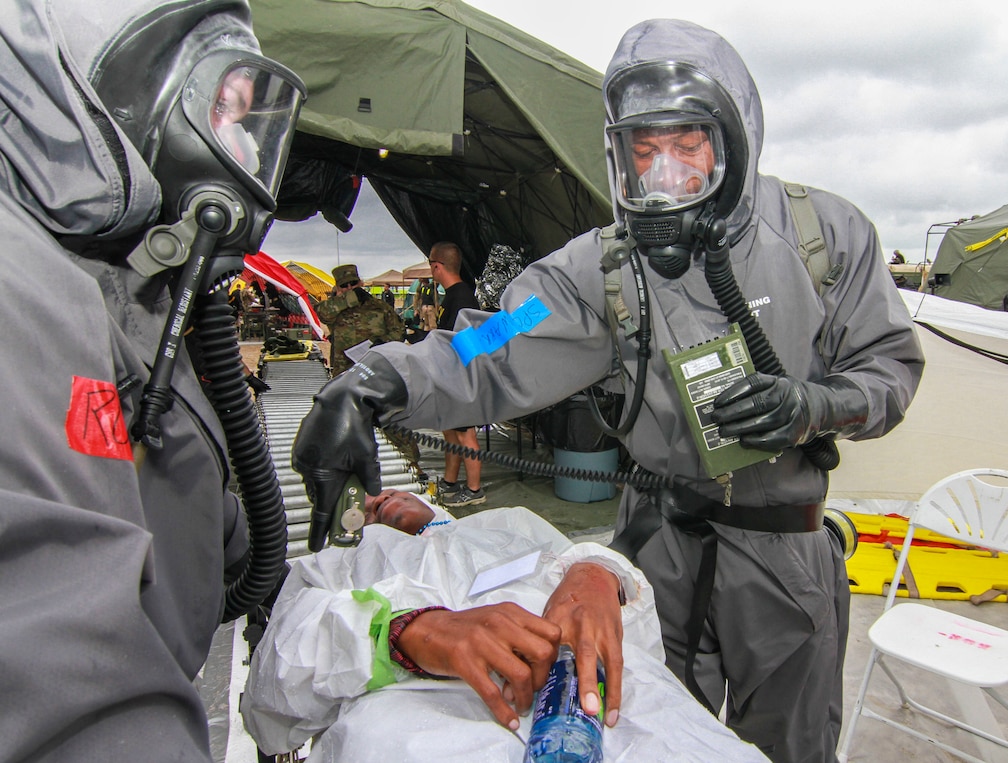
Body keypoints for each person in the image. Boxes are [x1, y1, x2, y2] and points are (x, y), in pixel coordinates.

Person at [292, 19, 924, 763]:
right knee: (642, 737)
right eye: (642, 151)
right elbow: (493, 339)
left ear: (732, 138)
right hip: (652, 551)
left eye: (686, 145)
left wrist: (812, 407)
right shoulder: (598, 270)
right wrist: (378, 378)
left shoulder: (828, 237)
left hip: (785, 550)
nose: (664, 175)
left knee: (789, 747)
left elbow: (890, 371)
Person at [0, 1, 306, 760]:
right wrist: (391, 379)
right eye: (223, 110)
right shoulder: (32, 287)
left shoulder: (129, 296)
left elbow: (174, 492)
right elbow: (497, 341)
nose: (238, 146)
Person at [241, 490, 770, 763]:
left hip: (622, 721)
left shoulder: (507, 523)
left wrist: (600, 571)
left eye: (389, 495)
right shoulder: (354, 564)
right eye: (373, 508)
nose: (381, 500)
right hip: (425, 733)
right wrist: (401, 633)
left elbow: (638, 644)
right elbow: (271, 696)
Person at [429, 242, 487, 507]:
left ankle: (475, 490)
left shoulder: (462, 297)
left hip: (463, 376)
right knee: (451, 432)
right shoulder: (453, 295)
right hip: (451, 374)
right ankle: (450, 482)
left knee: (466, 435)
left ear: (437, 266)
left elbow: (463, 341)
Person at [317, 263, 405, 377]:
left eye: (353, 283)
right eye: (344, 285)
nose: (350, 288)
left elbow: (399, 332)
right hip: (344, 369)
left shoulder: (379, 306)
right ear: (338, 287)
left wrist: (382, 342)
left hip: (375, 368)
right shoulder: (334, 307)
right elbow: (322, 313)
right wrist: (349, 298)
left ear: (360, 283)